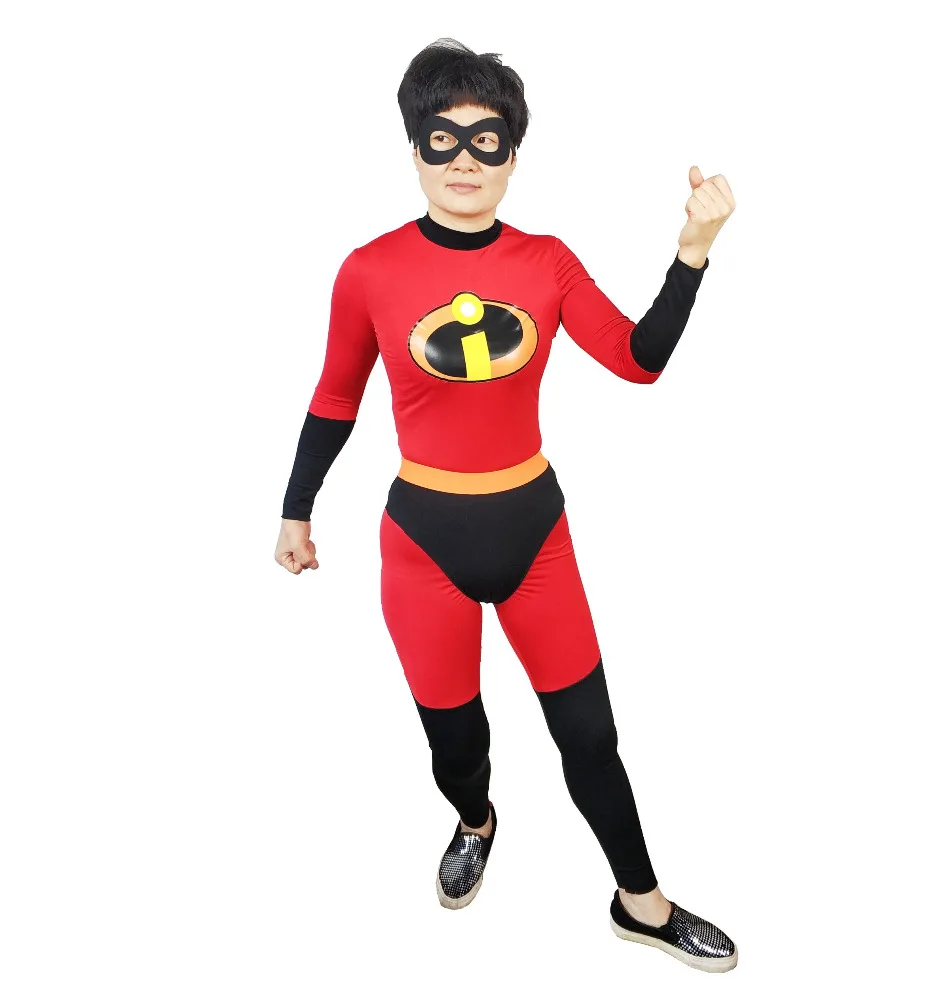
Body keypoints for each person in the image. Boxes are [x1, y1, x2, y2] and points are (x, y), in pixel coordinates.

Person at [274, 37, 737, 973]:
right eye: (440, 139)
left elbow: (639, 361)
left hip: (535, 534)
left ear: (513, 155)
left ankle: (640, 902)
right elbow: (335, 397)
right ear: (414, 149)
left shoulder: (546, 262)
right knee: (456, 743)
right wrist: (296, 510)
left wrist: (691, 253)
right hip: (423, 546)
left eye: (486, 140)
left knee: (591, 735)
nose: (464, 161)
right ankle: (476, 821)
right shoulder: (368, 270)